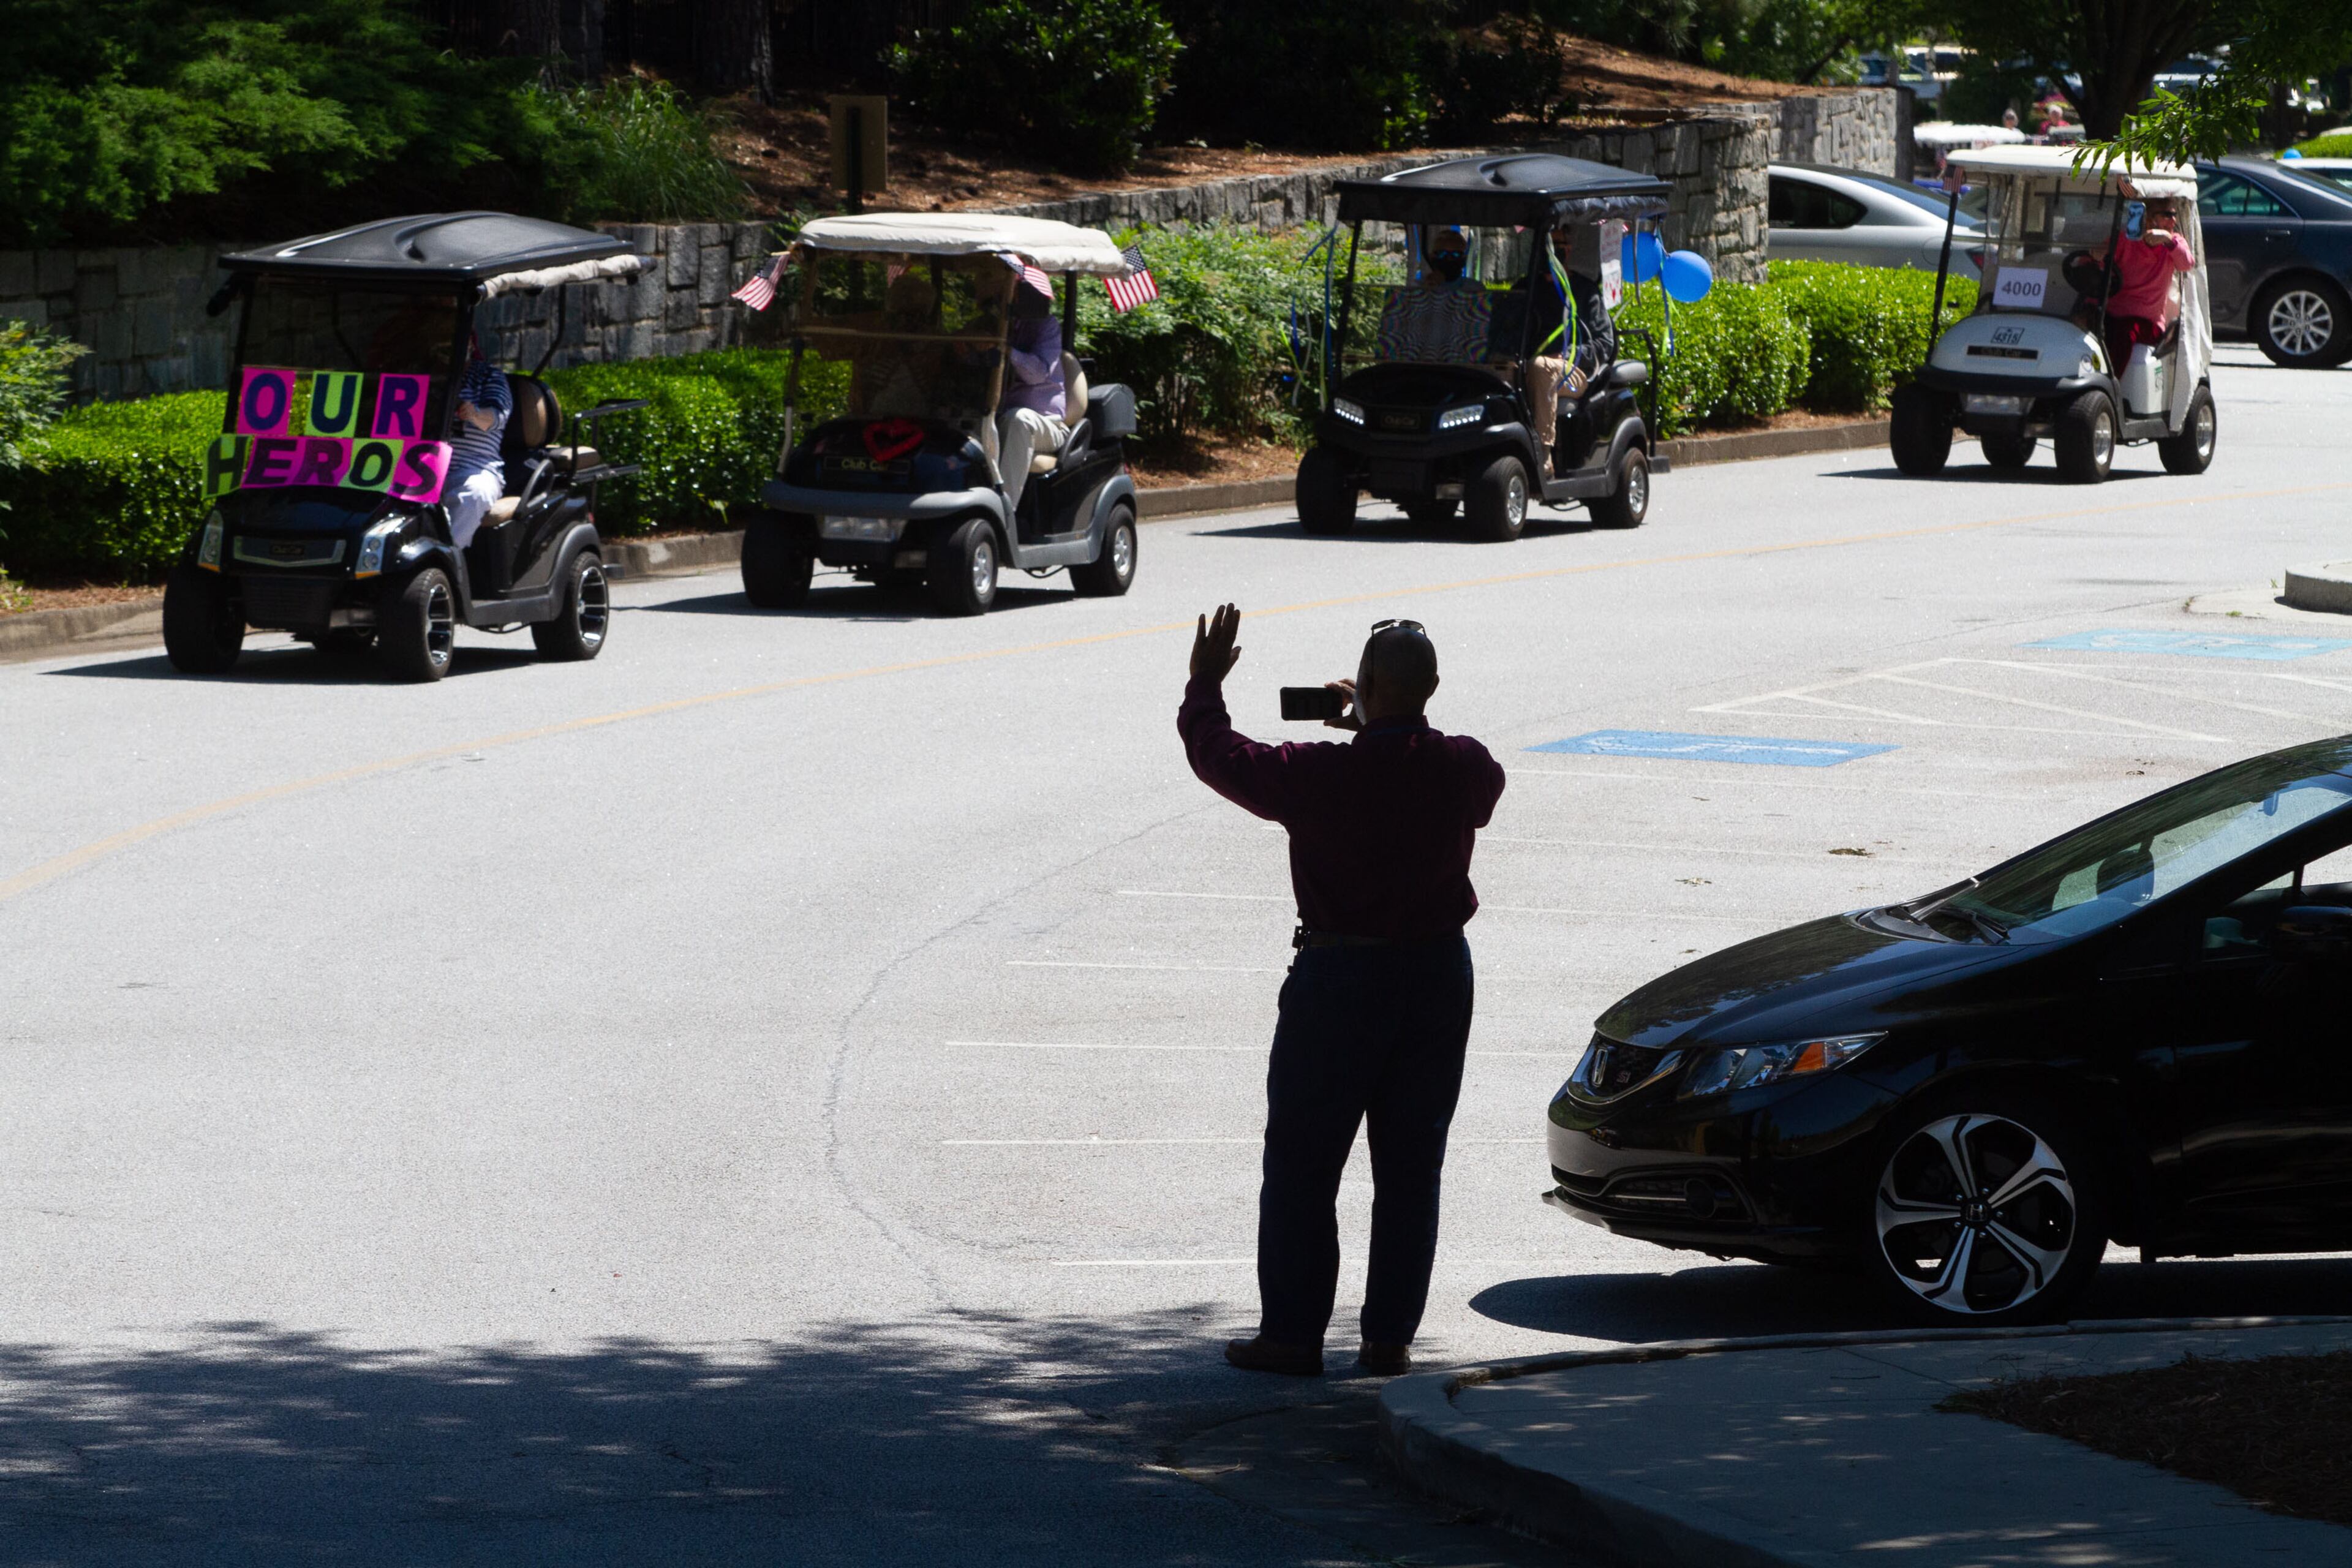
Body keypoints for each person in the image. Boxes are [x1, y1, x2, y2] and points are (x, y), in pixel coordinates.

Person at [1178, 605, 1506, 1378]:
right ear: (1432, 688)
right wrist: (1376, 721)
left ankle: (1293, 1335)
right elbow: (1471, 783)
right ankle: (1388, 1339)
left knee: (1303, 1159)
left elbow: (1219, 753)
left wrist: (1204, 685)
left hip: (1339, 978)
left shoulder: (1317, 773)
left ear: (1361, 687)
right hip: (1434, 978)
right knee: (1410, 1164)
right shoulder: (1463, 764)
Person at [1515, 224, 1616, 477]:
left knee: (1542, 368)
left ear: (1568, 251)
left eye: (1557, 247)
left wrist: (1572, 353)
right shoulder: (1526, 288)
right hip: (1525, 367)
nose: (1551, 253)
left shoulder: (1585, 291)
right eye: (1545, 247)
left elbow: (1605, 342)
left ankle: (1544, 455)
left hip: (1573, 374)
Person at [2071, 192, 2195, 377]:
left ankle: (2111, 384)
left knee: (2126, 331)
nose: (2173, 221)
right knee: (2081, 323)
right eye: (2167, 215)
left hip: (2147, 322)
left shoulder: (2173, 243)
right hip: (2112, 312)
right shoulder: (2125, 241)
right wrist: (2095, 257)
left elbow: (2186, 263)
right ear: (2149, 218)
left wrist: (2168, 240)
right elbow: (2088, 265)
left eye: (2174, 215)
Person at [995, 268, 1066, 515]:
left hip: (1047, 424)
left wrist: (1007, 351)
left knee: (1019, 420)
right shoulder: (999, 323)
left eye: (1012, 292)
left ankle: (1003, 513)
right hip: (998, 416)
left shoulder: (1047, 327)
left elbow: (1037, 374)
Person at [443, 344, 511, 551]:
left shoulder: (488, 376)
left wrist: (474, 413)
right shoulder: (421, 373)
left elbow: (498, 416)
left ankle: (447, 561)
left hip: (472, 468)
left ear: (469, 344)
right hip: (419, 466)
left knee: (474, 493)